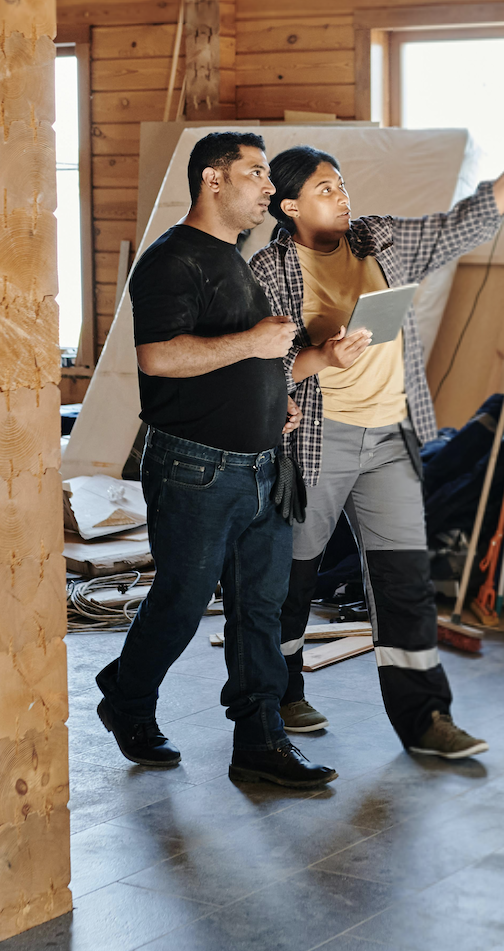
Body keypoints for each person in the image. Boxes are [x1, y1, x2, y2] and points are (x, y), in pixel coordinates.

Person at [249, 118, 504, 759]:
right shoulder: (268, 271)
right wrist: (322, 353)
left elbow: (462, 225)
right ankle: (279, 691)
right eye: (323, 189)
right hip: (318, 440)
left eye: (341, 185)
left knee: (403, 579)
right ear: (288, 207)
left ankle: (425, 719)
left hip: (391, 437)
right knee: (293, 574)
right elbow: (258, 367)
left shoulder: (381, 240)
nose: (341, 197)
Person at [93, 130, 337, 790]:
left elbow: (242, 362)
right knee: (181, 600)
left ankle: (260, 743)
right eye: (255, 173)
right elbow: (160, 357)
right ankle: (128, 697)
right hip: (197, 468)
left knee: (260, 607)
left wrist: (273, 405)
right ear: (213, 180)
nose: (268, 187)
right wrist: (257, 344)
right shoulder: (172, 260)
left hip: (262, 464)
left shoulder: (235, 258)